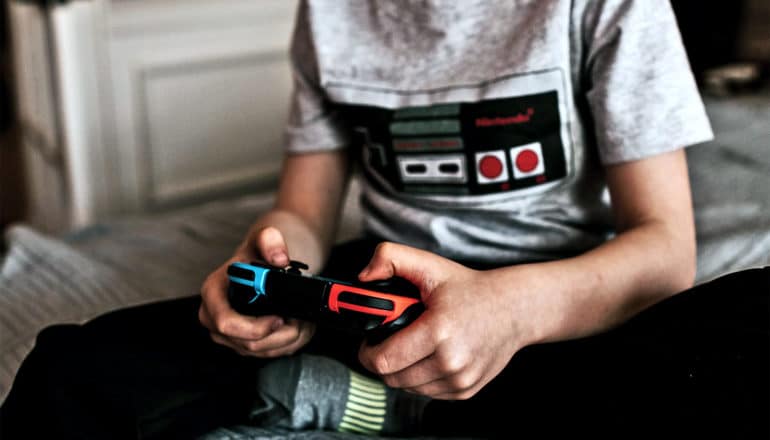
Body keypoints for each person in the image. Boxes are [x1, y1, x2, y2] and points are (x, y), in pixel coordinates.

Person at [1, 1, 768, 438]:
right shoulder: (330, 14)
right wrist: (267, 269)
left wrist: (507, 310)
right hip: (376, 297)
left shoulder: (609, 8)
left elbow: (665, 253)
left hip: (556, 308)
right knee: (70, 365)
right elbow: (301, 211)